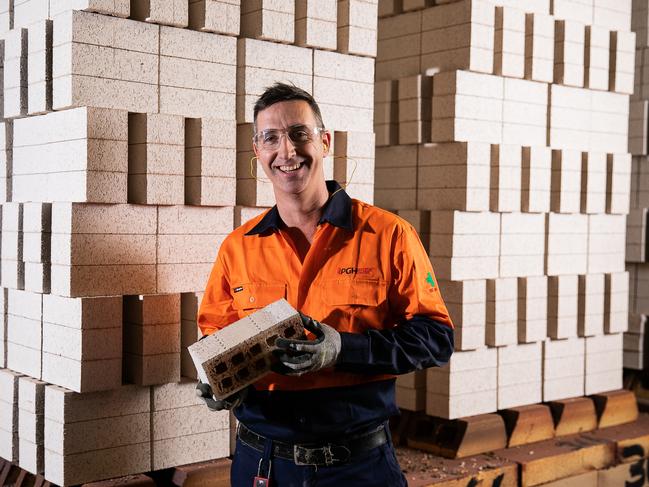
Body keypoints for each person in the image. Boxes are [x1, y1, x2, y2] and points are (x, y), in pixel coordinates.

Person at [196, 82, 454, 486]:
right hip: (261, 466)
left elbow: (436, 338)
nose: (287, 151)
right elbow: (216, 335)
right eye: (271, 138)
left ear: (325, 142)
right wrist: (219, 383)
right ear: (258, 152)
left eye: (300, 134)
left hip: (356, 467)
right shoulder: (237, 248)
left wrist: (343, 349)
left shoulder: (388, 235)